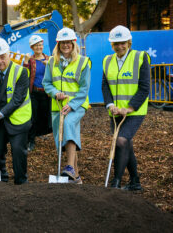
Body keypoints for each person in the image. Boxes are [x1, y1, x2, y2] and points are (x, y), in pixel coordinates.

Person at [102, 25, 150, 191]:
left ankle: (115, 183)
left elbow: (144, 88)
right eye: (116, 43)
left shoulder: (140, 57)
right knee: (125, 143)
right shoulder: (107, 60)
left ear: (129, 42)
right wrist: (110, 105)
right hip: (115, 112)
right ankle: (135, 182)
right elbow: (105, 85)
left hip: (135, 112)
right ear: (112, 45)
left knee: (121, 141)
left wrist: (129, 108)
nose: (120, 46)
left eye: (123, 43)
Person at [43, 27, 91, 184]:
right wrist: (55, 92)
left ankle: (69, 166)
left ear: (73, 43)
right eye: (62, 42)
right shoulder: (51, 61)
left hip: (77, 105)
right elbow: (46, 83)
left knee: (69, 124)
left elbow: (84, 89)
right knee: (61, 137)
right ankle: (76, 177)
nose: (65, 45)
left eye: (68, 42)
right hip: (57, 106)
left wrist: (72, 104)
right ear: (58, 44)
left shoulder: (83, 62)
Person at [0, 37, 31, 185]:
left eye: (2, 57)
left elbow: (17, 99)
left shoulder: (21, 72)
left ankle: (21, 182)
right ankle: (0, 182)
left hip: (18, 120)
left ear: (8, 54)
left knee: (18, 152)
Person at [23, 35, 52, 151]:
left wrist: (49, 65)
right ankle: (31, 141)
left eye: (40, 45)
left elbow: (56, 73)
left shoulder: (49, 59)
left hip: (47, 93)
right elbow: (24, 75)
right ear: (32, 47)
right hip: (34, 93)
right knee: (33, 117)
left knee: (45, 116)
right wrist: (25, 62)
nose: (39, 47)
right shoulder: (30, 60)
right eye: (36, 45)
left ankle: (40, 133)